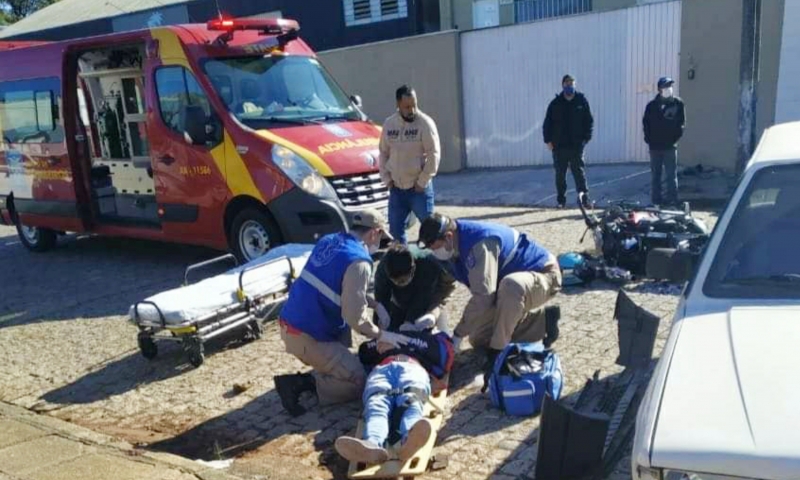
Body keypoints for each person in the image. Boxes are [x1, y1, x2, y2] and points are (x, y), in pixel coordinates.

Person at [274, 209, 411, 416]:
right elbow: (354, 317)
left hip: (292, 322)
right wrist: (382, 334)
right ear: (374, 232)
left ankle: (328, 365)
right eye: (380, 238)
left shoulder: (330, 240)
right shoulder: (360, 262)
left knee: (345, 347)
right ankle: (301, 384)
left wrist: (375, 305)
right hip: (306, 335)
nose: (378, 245)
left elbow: (338, 287)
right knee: (358, 381)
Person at [417, 213, 562, 388]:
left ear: (448, 236)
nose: (434, 252)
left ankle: (498, 353)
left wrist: (457, 334)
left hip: (543, 275)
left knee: (511, 286)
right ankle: (543, 321)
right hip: (505, 291)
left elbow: (484, 296)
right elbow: (446, 287)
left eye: (435, 247)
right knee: (479, 338)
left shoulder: (479, 244)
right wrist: (431, 313)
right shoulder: (452, 249)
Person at [334, 329, 454, 465]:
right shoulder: (384, 337)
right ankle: (372, 445)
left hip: (411, 367)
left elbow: (446, 356)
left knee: (410, 401)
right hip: (383, 368)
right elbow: (363, 353)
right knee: (376, 405)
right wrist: (381, 340)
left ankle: (410, 439)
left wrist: (406, 341)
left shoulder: (428, 340)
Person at [379, 85, 441, 244]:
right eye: (407, 106)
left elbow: (434, 154)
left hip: (418, 190)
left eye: (414, 105)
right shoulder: (389, 124)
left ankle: (433, 265)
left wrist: (422, 181)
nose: (412, 110)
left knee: (430, 232)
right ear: (398, 104)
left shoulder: (425, 123)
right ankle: (403, 265)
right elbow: (383, 153)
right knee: (395, 233)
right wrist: (387, 180)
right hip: (397, 190)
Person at [373, 243, 456, 335]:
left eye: (403, 280)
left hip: (434, 288)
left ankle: (444, 333)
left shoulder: (427, 264)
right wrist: (380, 320)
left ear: (413, 269)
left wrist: (410, 321)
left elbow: (423, 297)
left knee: (425, 323)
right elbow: (381, 296)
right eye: (396, 281)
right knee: (393, 327)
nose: (400, 284)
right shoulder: (383, 269)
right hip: (400, 298)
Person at [543, 74, 594, 209]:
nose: (569, 86)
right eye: (567, 84)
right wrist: (548, 140)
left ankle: (585, 200)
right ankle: (561, 201)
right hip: (559, 147)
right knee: (560, 176)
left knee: (579, 173)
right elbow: (547, 123)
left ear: (574, 85)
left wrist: (586, 138)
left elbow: (589, 121)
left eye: (571, 83)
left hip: (576, 146)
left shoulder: (581, 101)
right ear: (563, 85)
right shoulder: (556, 103)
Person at [643, 76, 686, 207]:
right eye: (666, 86)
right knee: (656, 175)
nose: (669, 89)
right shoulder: (651, 106)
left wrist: (675, 138)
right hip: (655, 147)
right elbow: (646, 124)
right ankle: (656, 200)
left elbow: (682, 123)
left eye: (670, 86)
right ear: (659, 89)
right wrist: (649, 139)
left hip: (670, 147)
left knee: (671, 176)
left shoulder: (678, 103)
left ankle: (672, 200)